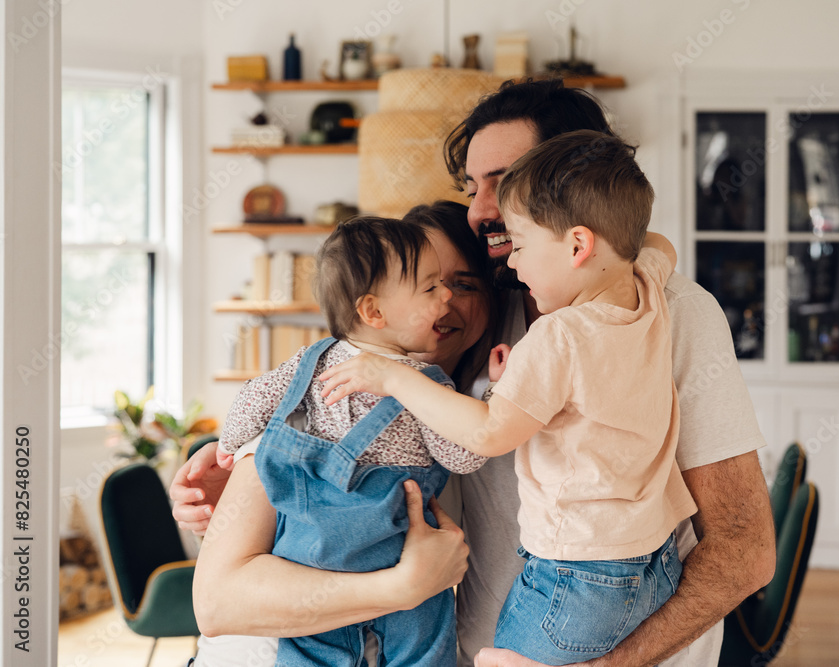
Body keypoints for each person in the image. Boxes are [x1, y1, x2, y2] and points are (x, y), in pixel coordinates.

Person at [176, 79, 776, 667]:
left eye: (505, 184)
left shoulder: (668, 312)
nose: (482, 209)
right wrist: (240, 463)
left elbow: (743, 548)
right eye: (471, 186)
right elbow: (244, 570)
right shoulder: (467, 323)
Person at [320, 129, 695, 666]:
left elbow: (488, 433)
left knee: (490, 660)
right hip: (653, 561)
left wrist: (394, 378)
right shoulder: (649, 290)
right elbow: (659, 244)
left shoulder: (557, 335)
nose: (512, 266)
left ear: (577, 246)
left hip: (575, 571)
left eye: (519, 246)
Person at [188, 203, 498, 667]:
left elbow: (250, 398)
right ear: (373, 309)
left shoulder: (445, 393)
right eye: (430, 286)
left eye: (463, 285)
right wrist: (231, 453)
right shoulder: (297, 403)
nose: (445, 300)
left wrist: (228, 445)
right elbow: (215, 604)